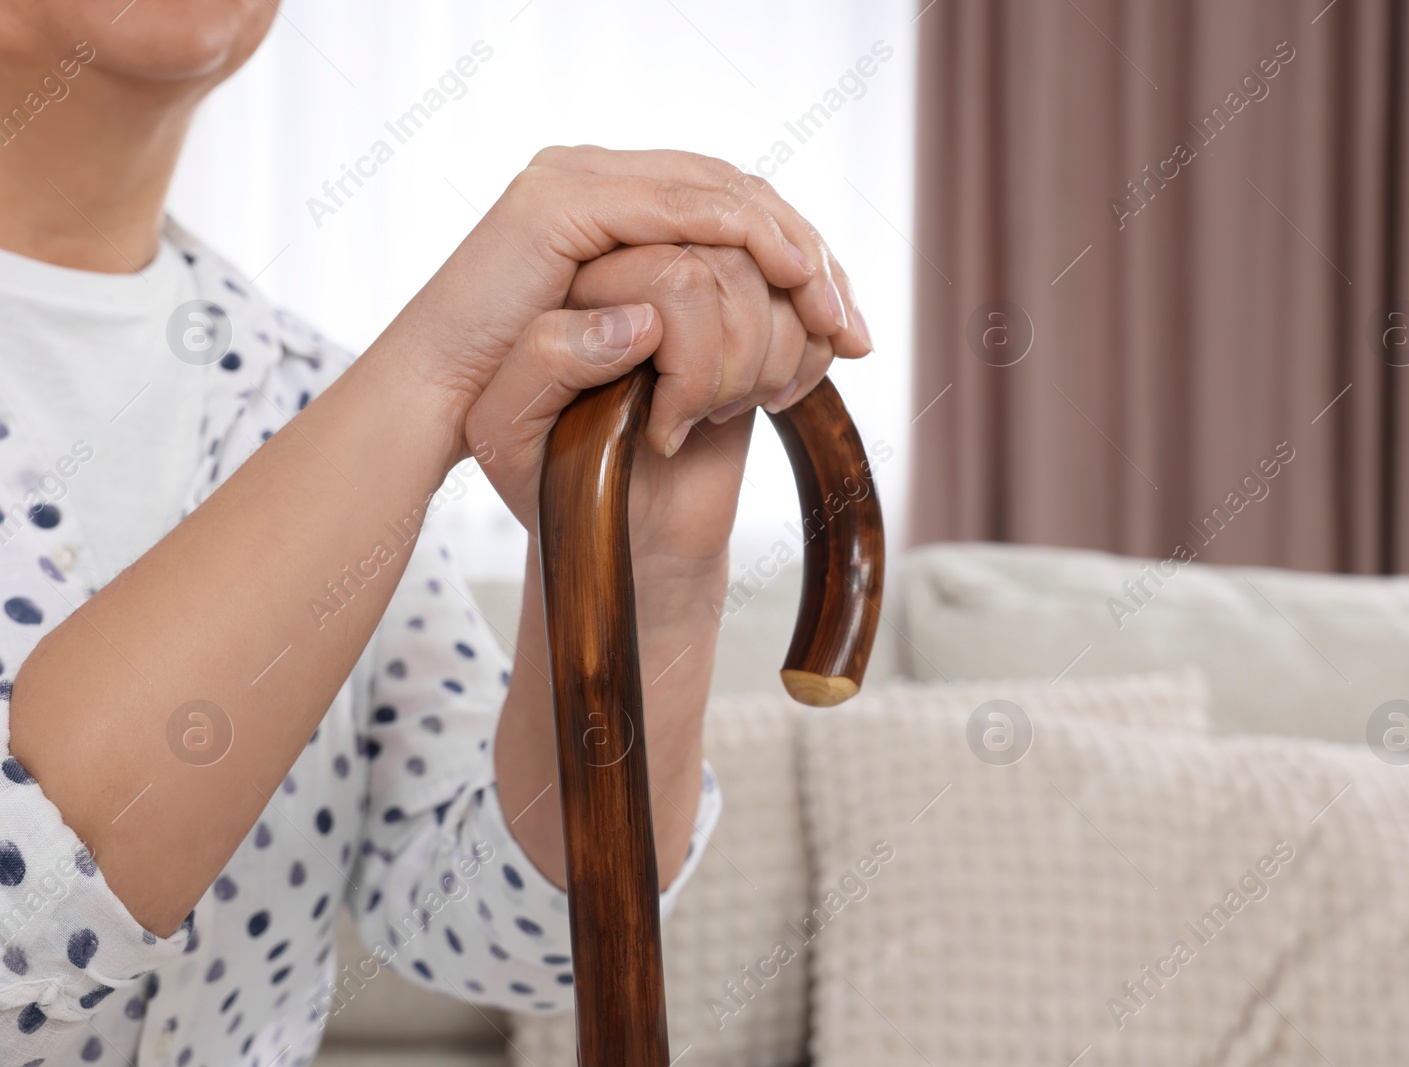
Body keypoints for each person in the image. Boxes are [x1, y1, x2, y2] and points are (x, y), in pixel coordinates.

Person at [0, 3, 872, 1064]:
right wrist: (432, 366)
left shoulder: (305, 392)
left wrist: (647, 575)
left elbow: (503, 933)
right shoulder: (387, 406)